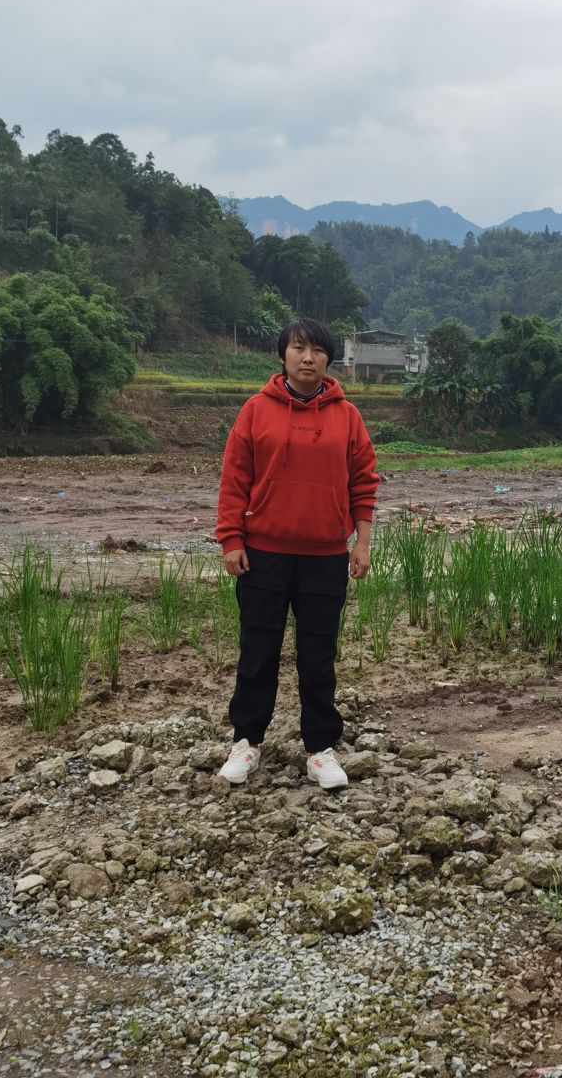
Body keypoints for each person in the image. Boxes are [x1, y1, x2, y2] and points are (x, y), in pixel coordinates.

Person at [214, 319, 379, 790]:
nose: (308, 358)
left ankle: (320, 749)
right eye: (298, 348)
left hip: (325, 556)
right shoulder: (256, 410)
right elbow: (234, 478)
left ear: (329, 359)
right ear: (283, 355)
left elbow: (364, 480)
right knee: (258, 651)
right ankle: (247, 742)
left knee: (318, 654)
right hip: (263, 554)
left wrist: (362, 542)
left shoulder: (347, 416)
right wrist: (231, 539)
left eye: (317, 351)